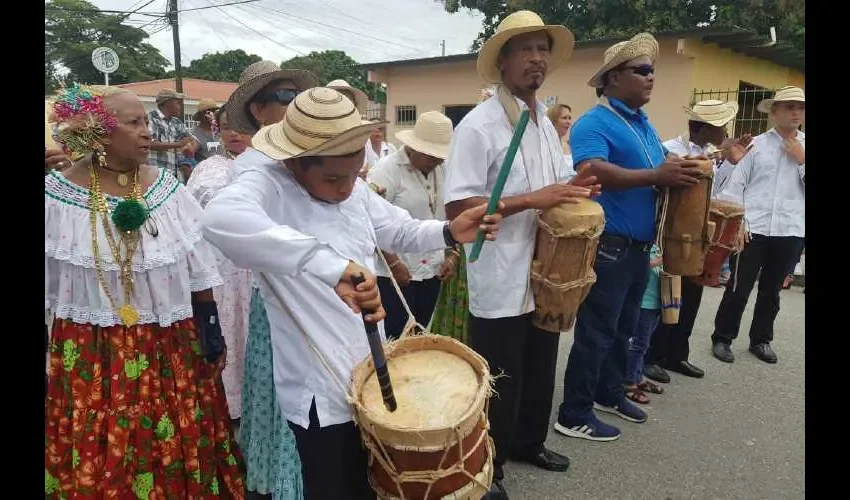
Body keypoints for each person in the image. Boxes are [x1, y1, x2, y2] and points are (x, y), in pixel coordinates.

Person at [203, 86, 503, 500]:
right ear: (293, 163)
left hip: (371, 371)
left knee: (374, 483)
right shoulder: (268, 184)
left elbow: (396, 227)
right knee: (333, 485)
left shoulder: (353, 189)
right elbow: (219, 220)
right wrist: (331, 266)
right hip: (318, 389)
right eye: (332, 178)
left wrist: (447, 231)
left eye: (354, 173)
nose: (347, 188)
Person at [45, 84, 244, 498]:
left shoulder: (167, 189)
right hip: (93, 348)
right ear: (98, 133)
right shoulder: (56, 197)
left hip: (168, 340)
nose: (146, 132)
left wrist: (209, 324)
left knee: (168, 428)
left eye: (145, 122)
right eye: (134, 123)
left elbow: (196, 263)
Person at [443, 11, 600, 499]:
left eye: (543, 49)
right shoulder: (479, 125)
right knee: (502, 373)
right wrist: (534, 200)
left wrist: (573, 190)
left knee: (540, 363)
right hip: (500, 270)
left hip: (545, 269)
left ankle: (530, 441)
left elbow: (552, 185)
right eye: (526, 49)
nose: (537, 58)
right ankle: (492, 465)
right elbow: (457, 205)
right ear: (504, 61)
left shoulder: (543, 122)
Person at [554, 33, 704, 443]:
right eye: (642, 70)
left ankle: (607, 391)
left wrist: (680, 167)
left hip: (637, 248)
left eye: (652, 70)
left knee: (624, 329)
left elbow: (659, 166)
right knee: (597, 331)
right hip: (610, 246)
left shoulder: (643, 124)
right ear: (612, 78)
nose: (651, 77)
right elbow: (591, 171)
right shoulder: (593, 122)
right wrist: (657, 175)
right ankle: (574, 412)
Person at [223, 59, 318, 500]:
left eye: (294, 96)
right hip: (280, 297)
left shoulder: (298, 157)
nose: (292, 104)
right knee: (284, 398)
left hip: (316, 292)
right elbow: (233, 222)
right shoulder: (254, 166)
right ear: (260, 111)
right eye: (283, 98)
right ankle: (284, 483)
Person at [644, 99, 748, 382]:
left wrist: (728, 162)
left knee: (691, 298)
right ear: (703, 128)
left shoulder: (709, 154)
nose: (725, 133)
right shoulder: (669, 150)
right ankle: (653, 356)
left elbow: (718, 190)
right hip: (671, 236)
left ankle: (677, 355)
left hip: (697, 236)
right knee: (668, 296)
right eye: (721, 127)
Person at [712, 86, 805, 364]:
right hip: (753, 226)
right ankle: (723, 337)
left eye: (799, 108)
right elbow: (734, 186)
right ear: (774, 111)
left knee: (772, 290)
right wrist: (738, 222)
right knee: (739, 286)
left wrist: (801, 160)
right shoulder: (756, 145)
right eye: (788, 106)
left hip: (790, 228)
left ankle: (761, 340)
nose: (795, 112)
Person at [186, 107, 253, 427]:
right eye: (227, 127)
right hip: (223, 271)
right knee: (229, 333)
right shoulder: (212, 168)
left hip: (256, 270)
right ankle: (228, 410)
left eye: (242, 127)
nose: (234, 134)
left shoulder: (270, 167)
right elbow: (206, 202)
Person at [367, 110, 455, 339]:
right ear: (414, 147)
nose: (436, 162)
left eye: (440, 157)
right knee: (395, 337)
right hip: (394, 274)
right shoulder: (387, 170)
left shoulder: (443, 169)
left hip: (432, 270)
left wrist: (451, 254)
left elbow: (449, 214)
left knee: (420, 334)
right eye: (431, 156)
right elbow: (370, 221)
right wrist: (394, 263)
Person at [147, 89, 196, 183]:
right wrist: (178, 145)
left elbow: (189, 138)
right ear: (167, 102)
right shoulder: (151, 118)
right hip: (155, 174)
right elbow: (149, 143)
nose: (180, 106)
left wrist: (189, 147)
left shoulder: (176, 122)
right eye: (177, 103)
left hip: (174, 174)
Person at [191, 98, 222, 162]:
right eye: (208, 112)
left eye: (213, 111)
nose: (211, 114)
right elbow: (189, 154)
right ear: (201, 115)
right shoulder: (195, 133)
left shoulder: (220, 130)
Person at [547, 103, 573, 168]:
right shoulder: (546, 145)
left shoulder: (567, 146)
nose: (568, 122)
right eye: (564, 118)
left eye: (569, 118)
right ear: (553, 121)